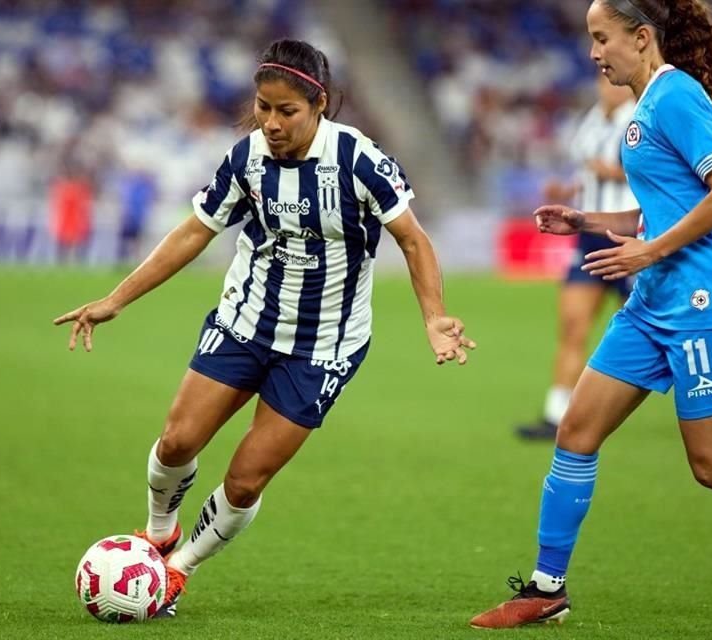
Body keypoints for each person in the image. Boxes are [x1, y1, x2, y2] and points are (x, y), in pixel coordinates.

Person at [54, 39, 475, 619]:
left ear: (319, 105)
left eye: (286, 111)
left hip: (323, 347)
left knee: (246, 480)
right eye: (263, 107)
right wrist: (116, 299)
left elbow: (413, 239)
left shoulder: (359, 160)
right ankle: (159, 533)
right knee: (177, 442)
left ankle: (178, 571)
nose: (271, 124)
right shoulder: (245, 158)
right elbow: (193, 232)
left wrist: (434, 317)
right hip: (244, 323)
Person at [471, 0, 712, 628]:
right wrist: (588, 222)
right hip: (654, 304)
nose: (593, 53)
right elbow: (661, 213)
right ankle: (546, 587)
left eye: (602, 39)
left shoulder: (677, 97)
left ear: (641, 38)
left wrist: (650, 250)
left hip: (708, 305)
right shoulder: (643, 109)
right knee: (576, 432)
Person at [516, 74, 638, 440]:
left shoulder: (640, 119)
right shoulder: (593, 118)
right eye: (600, 82)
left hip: (629, 234)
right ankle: (556, 416)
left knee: (657, 330)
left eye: (610, 81)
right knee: (573, 326)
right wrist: (568, 189)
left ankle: (706, 403)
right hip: (589, 237)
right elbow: (589, 172)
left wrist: (614, 172)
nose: (604, 86)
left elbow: (657, 171)